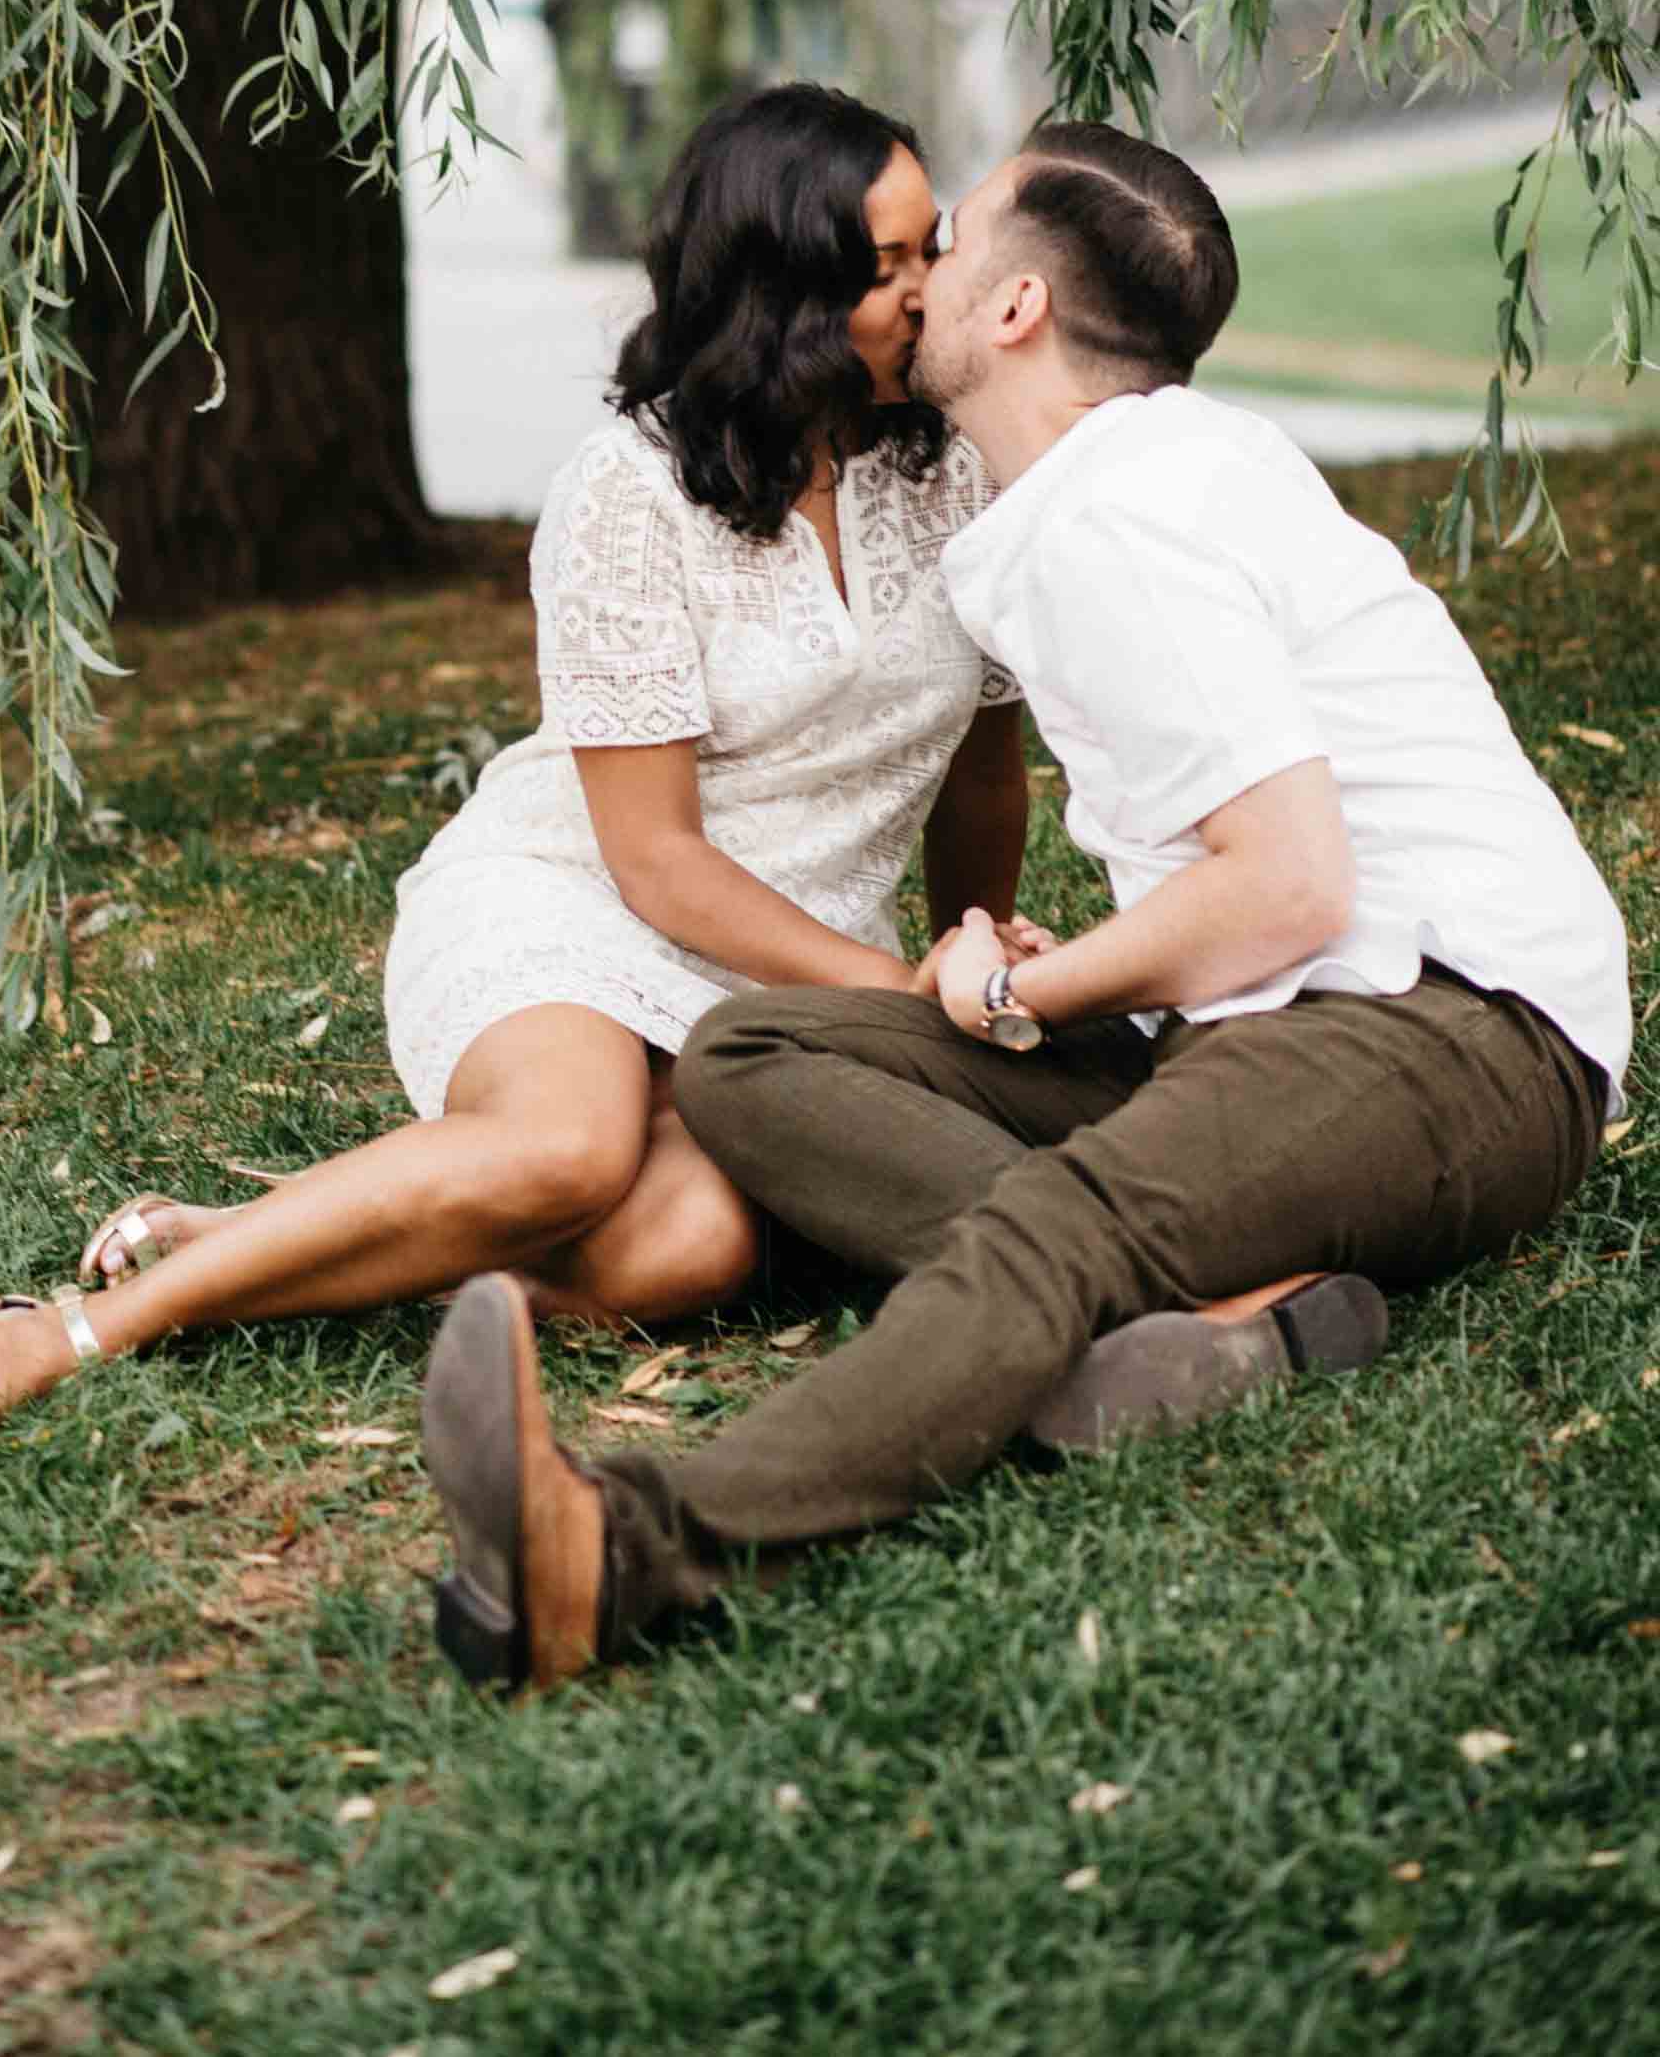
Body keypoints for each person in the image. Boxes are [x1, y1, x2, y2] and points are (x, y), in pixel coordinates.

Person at [417, 121, 1632, 1693]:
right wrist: (1064, 969)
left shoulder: (1116, 519)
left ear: (1016, 313)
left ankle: (630, 1546)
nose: (913, 281)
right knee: (758, 1053)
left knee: (1066, 1223)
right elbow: (1260, 880)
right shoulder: (1125, 485)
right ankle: (1192, 1336)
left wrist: (1028, 995)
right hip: (1281, 1011)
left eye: (956, 237)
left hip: (1455, 1031)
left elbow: (1295, 879)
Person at [0, 83, 1033, 1430]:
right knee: (570, 1151)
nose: (927, 293)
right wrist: (901, 991)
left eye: (930, 249)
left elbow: (982, 767)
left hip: (788, 973)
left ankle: (278, 1239)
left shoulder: (962, 472)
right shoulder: (632, 493)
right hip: (577, 911)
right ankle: (96, 1324)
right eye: (886, 266)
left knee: (687, 1253)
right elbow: (657, 865)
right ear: (780, 293)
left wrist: (974, 941)